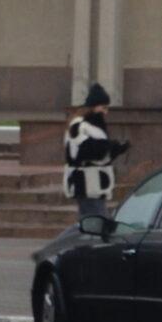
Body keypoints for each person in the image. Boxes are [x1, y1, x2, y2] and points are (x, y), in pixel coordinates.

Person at [63, 83, 129, 223]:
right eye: (103, 107)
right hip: (85, 183)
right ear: (93, 106)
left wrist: (116, 149)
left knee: (92, 221)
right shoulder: (78, 125)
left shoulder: (92, 125)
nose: (106, 112)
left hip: (94, 184)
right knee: (97, 222)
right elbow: (88, 151)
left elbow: (101, 155)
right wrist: (112, 146)